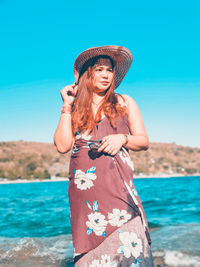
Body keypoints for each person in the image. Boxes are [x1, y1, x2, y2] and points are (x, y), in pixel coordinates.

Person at [54, 46, 154, 266]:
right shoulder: (75, 107)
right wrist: (66, 105)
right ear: (88, 74)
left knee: (128, 235)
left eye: (109, 70)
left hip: (116, 186)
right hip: (84, 192)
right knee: (91, 245)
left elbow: (143, 141)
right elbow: (62, 146)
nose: (106, 75)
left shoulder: (124, 102)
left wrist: (122, 139)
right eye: (99, 69)